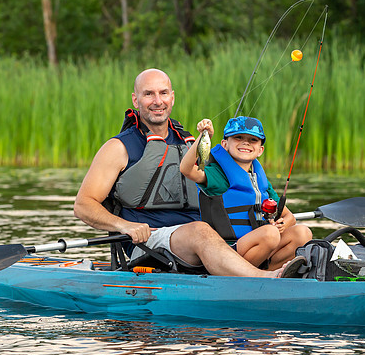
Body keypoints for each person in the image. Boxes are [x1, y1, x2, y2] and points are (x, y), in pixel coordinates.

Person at [74, 68, 305, 278]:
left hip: (212, 240)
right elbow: (83, 205)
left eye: (163, 93)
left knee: (298, 232)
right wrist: (124, 226)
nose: (157, 101)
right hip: (151, 242)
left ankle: (279, 274)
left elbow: (238, 181)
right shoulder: (119, 147)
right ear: (136, 99)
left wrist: (278, 215)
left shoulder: (192, 143)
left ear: (172, 97)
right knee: (200, 230)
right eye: (148, 94)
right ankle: (264, 278)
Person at [180, 116, 313, 271]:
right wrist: (204, 137)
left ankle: (269, 275)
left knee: (302, 233)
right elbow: (186, 169)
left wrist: (283, 225)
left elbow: (289, 217)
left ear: (260, 150)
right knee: (270, 235)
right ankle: (249, 275)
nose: (246, 142)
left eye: (253, 140)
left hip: (260, 246)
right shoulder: (217, 174)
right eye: (238, 137)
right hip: (225, 252)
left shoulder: (259, 179)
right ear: (224, 144)